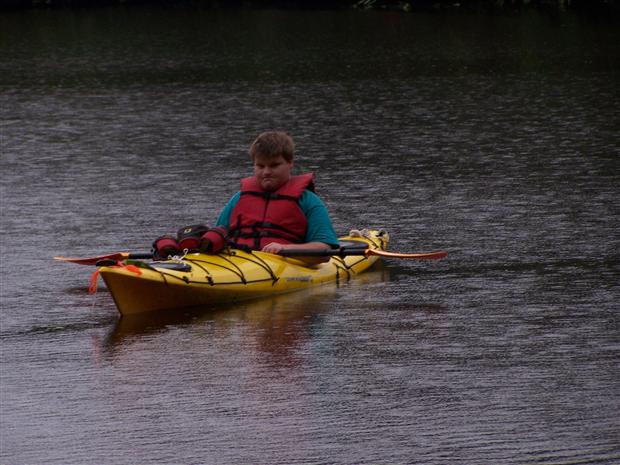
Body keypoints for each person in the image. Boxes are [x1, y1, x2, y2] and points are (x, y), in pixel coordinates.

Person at [154, 131, 339, 265]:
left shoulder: (309, 201)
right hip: (237, 262)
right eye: (260, 166)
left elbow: (324, 251)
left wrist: (284, 249)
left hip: (287, 264)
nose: (266, 172)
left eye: (274, 165)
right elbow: (218, 235)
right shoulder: (239, 199)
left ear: (290, 163)